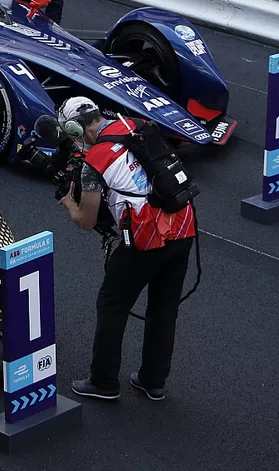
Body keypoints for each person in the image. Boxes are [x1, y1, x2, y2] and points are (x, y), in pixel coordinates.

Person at [56, 97, 196, 401]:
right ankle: (153, 380)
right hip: (183, 223)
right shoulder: (135, 125)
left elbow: (87, 220)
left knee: (111, 304)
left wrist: (69, 203)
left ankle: (104, 381)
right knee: (164, 307)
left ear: (74, 129)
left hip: (146, 238)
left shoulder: (95, 162)